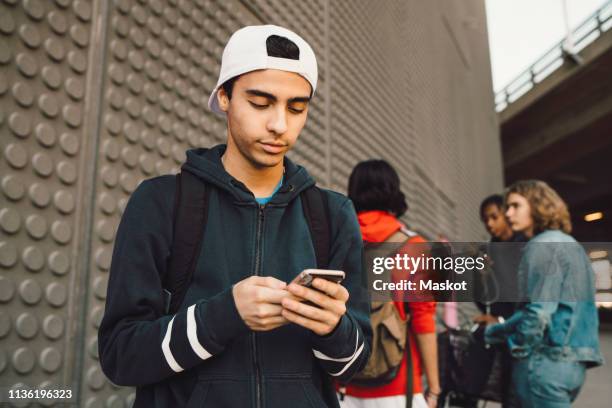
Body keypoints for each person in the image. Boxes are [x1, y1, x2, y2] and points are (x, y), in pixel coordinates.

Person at [98, 25, 371, 407]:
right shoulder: (161, 202)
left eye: (297, 107)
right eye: (260, 103)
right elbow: (120, 356)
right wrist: (223, 316)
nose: (280, 125)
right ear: (224, 96)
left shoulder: (332, 213)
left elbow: (354, 364)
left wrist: (333, 329)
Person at [484, 180, 603, 408]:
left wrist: (518, 348)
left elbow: (538, 313)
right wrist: (496, 331)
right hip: (573, 366)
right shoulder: (570, 244)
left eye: (516, 206)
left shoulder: (542, 246)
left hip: (543, 365)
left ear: (537, 206)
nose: (508, 213)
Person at [338, 160, 440, 408]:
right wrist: (434, 388)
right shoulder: (414, 246)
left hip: (342, 386)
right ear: (393, 190)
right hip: (400, 388)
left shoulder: (336, 240)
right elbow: (423, 319)